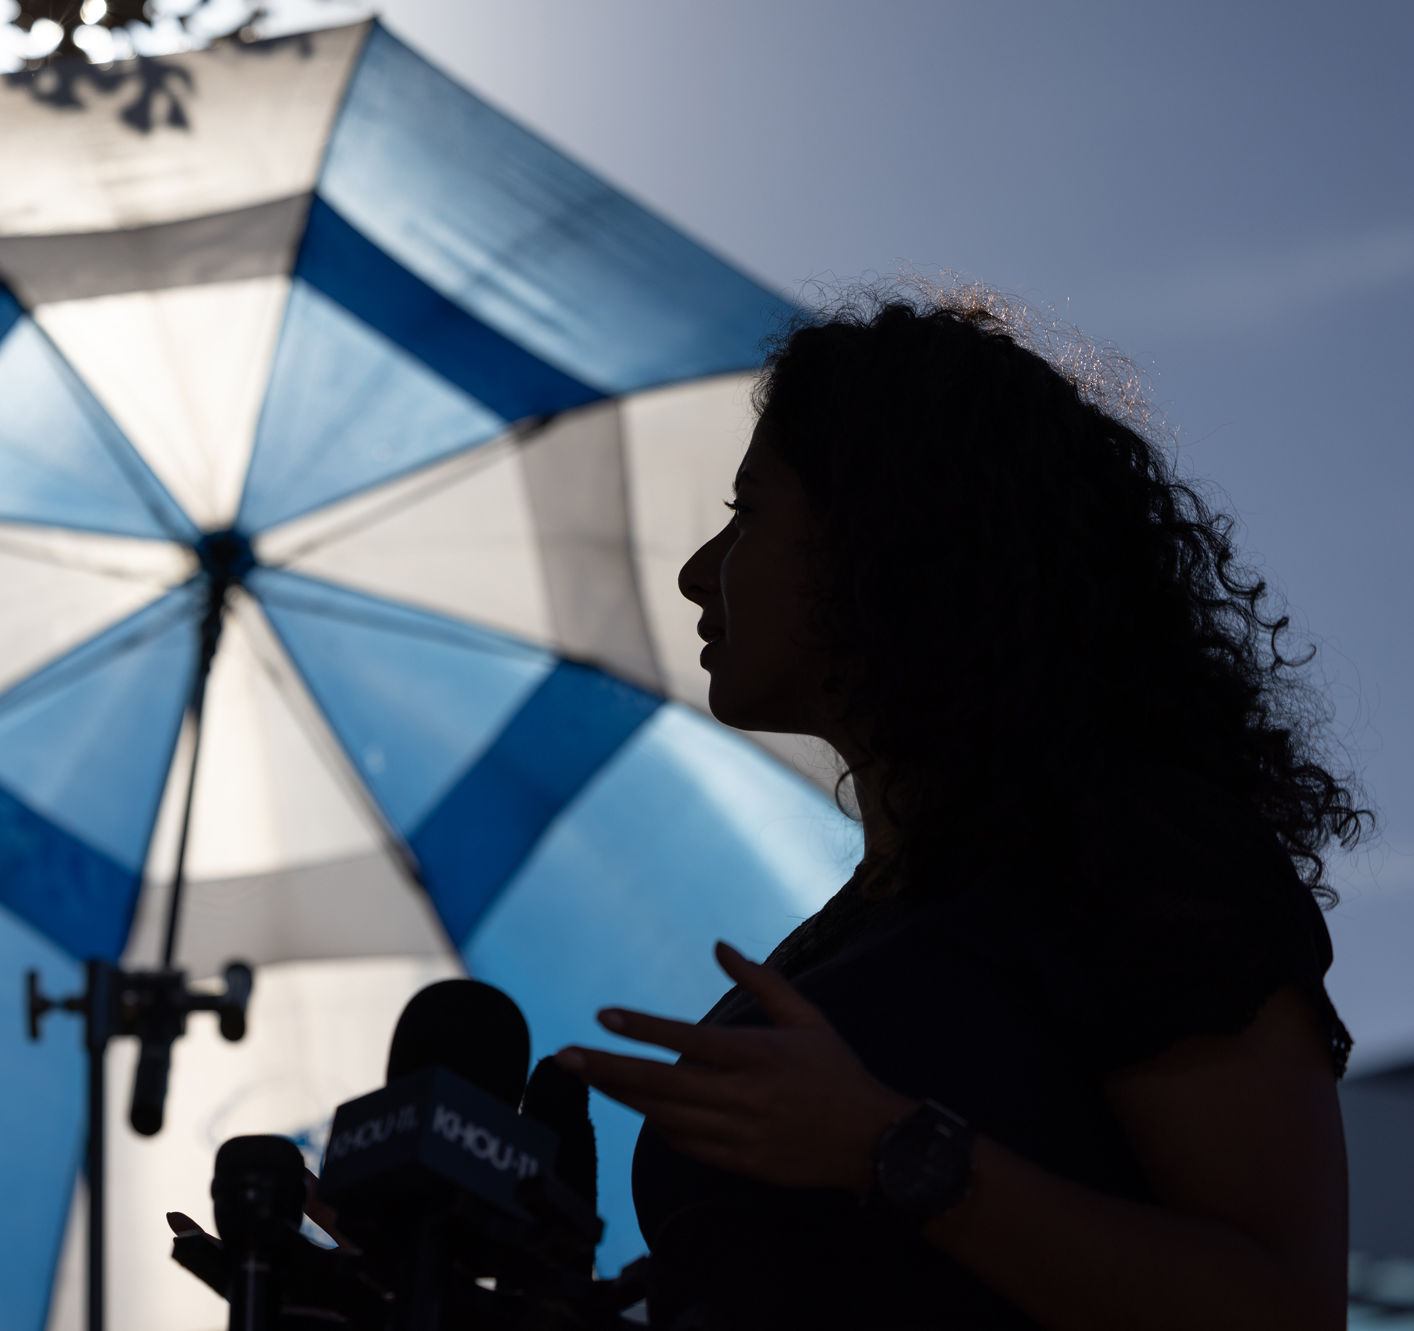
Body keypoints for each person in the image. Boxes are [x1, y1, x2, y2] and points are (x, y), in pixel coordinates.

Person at [554, 292, 1369, 1330]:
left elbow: (1286, 1312)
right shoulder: (847, 933)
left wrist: (892, 1148)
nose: (694, 572)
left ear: (892, 535)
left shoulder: (1138, 849)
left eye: (747, 512)